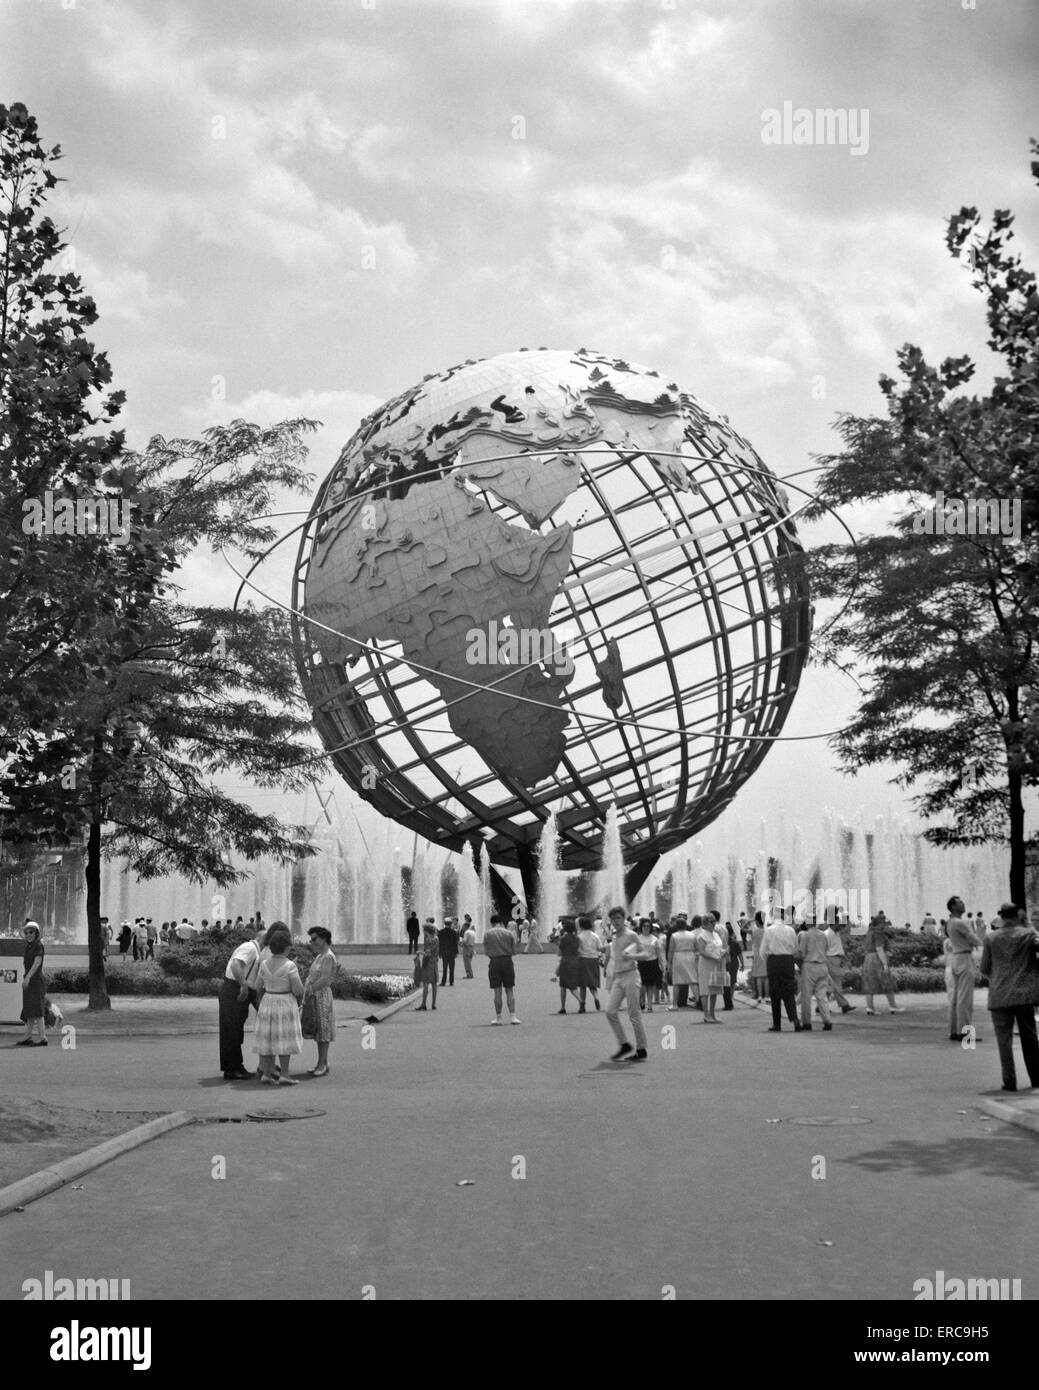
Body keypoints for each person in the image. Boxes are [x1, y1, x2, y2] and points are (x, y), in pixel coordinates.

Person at [980, 904, 1039, 1092]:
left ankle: (1009, 1081)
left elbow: (984, 968)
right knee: (1029, 1037)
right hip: (1024, 995)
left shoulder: (991, 938)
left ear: (1002, 917)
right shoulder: (1028, 934)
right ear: (1017, 915)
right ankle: (1036, 1078)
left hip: (999, 995)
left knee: (1004, 1041)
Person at [254, 923, 304, 1085]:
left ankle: (266, 1073)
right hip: (284, 1002)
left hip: (267, 1001)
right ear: (286, 947)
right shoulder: (290, 966)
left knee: (268, 1038)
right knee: (284, 1038)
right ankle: (284, 1074)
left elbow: (257, 985)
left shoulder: (264, 964)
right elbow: (298, 990)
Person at [218, 919, 266, 1080]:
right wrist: (243, 986)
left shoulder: (255, 951)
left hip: (240, 989)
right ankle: (232, 1069)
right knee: (231, 1032)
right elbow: (235, 965)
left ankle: (236, 1067)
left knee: (235, 1031)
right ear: (263, 940)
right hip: (234, 989)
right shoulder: (250, 948)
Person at [604, 907, 648, 1061]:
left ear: (624, 919)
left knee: (634, 1014)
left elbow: (644, 954)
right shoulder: (615, 937)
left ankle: (641, 1049)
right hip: (618, 977)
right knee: (610, 1012)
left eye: (618, 918)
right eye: (613, 919)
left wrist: (632, 956)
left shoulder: (632, 935)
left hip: (631, 975)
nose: (615, 921)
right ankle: (624, 1044)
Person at [303, 927, 337, 1077]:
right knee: (319, 1031)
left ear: (323, 939)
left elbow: (324, 979)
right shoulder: (320, 956)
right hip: (315, 996)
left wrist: (310, 989)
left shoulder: (328, 957)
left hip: (321, 996)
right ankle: (323, 1062)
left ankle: (322, 1064)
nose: (312, 942)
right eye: (311, 939)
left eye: (314, 939)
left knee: (323, 1031)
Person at [944, 895, 978, 1038]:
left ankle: (954, 1031)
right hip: (964, 958)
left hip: (955, 959)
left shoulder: (949, 923)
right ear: (953, 907)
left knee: (955, 998)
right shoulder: (960, 923)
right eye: (960, 903)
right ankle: (965, 1033)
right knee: (965, 998)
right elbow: (975, 940)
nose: (963, 904)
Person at [761, 912, 801, 1032]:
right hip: (788, 961)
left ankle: (777, 1024)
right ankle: (795, 1019)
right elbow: (795, 948)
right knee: (789, 991)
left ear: (774, 918)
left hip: (774, 960)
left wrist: (767, 960)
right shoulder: (791, 930)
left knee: (775, 992)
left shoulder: (769, 930)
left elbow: (763, 949)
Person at [862, 913, 906, 1017]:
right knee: (887, 981)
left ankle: (870, 1008)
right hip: (877, 958)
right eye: (883, 923)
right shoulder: (878, 933)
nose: (884, 925)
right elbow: (879, 948)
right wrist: (885, 964)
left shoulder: (869, 932)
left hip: (868, 958)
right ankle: (892, 1006)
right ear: (879, 923)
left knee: (869, 983)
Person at [484, 913, 520, 1024]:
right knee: (510, 990)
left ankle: (499, 1018)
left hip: (494, 962)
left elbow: (486, 952)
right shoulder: (508, 933)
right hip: (507, 961)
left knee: (497, 991)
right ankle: (513, 1017)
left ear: (492, 923)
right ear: (501, 922)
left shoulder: (487, 934)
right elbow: (514, 951)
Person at [797, 922, 833, 1031]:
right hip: (822, 965)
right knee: (821, 996)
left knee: (806, 996)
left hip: (809, 965)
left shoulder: (805, 935)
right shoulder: (823, 934)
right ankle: (827, 1021)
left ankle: (807, 1022)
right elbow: (827, 949)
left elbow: (802, 953)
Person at [17, 922, 47, 1047]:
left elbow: (37, 963)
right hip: (30, 981)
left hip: (35, 981)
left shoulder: (38, 946)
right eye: (26, 932)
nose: (28, 934)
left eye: (31, 932)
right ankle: (28, 1036)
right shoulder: (29, 946)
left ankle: (42, 1037)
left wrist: (28, 978)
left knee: (37, 1010)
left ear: (37, 933)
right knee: (30, 1009)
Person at [694, 913, 726, 1023]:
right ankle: (706, 1015)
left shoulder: (716, 934)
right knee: (705, 989)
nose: (714, 924)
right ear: (705, 923)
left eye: (714, 921)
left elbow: (719, 947)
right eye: (711, 922)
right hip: (706, 964)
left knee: (714, 989)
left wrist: (723, 953)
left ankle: (713, 1014)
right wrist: (714, 956)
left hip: (716, 963)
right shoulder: (702, 935)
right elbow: (702, 951)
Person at [823, 917, 856, 1014]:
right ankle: (844, 1005)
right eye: (838, 923)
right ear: (833, 924)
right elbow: (824, 949)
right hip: (830, 959)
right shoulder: (827, 934)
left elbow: (839, 948)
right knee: (836, 983)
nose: (840, 925)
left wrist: (845, 959)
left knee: (830, 985)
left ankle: (821, 1006)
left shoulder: (836, 933)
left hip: (836, 959)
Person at [667, 915, 699, 1009]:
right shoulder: (692, 935)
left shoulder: (674, 935)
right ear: (685, 925)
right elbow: (697, 948)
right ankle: (698, 1002)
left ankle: (674, 1004)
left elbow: (671, 950)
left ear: (677, 926)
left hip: (678, 956)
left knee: (676, 982)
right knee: (693, 980)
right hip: (690, 956)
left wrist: (669, 963)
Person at [635, 917, 664, 1013]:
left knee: (651, 986)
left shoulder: (655, 939)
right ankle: (642, 1000)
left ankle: (650, 1006)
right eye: (644, 926)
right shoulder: (637, 938)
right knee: (642, 986)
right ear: (641, 927)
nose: (646, 927)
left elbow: (659, 953)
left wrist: (662, 965)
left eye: (648, 926)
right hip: (641, 963)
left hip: (652, 962)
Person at [576, 916, 604, 1012]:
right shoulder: (595, 935)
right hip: (594, 960)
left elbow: (578, 950)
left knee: (582, 985)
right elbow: (600, 948)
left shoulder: (579, 936)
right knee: (592, 983)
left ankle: (582, 1004)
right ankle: (596, 997)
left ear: (581, 925)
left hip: (583, 960)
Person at [556, 919, 582, 1013]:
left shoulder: (563, 939)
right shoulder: (577, 939)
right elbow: (578, 951)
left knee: (563, 986)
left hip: (565, 962)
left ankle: (563, 1007)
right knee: (573, 985)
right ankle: (581, 1002)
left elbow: (559, 953)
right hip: (575, 962)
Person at [415, 922, 439, 1011]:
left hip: (428, 962)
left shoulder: (430, 940)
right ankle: (433, 1004)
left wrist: (419, 952)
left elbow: (428, 953)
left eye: (424, 930)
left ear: (427, 931)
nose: (423, 932)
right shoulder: (435, 938)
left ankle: (424, 1004)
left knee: (426, 983)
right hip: (434, 963)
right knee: (434, 983)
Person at [723, 918, 743, 1010]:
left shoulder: (723, 942)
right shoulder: (735, 942)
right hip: (734, 962)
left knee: (726, 982)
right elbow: (740, 954)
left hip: (726, 963)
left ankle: (727, 999)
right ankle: (731, 997)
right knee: (733, 981)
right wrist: (742, 964)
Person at [750, 911, 769, 1005]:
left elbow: (740, 927)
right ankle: (766, 996)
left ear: (756, 921)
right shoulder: (767, 931)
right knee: (766, 977)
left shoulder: (754, 931)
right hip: (765, 953)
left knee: (758, 977)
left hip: (757, 954)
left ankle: (760, 996)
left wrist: (751, 920)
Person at [438, 917, 459, 986]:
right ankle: (451, 982)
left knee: (444, 968)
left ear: (444, 924)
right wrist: (456, 952)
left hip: (444, 952)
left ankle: (443, 982)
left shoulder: (441, 932)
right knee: (451, 968)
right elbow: (455, 943)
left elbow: (440, 943)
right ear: (450, 924)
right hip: (452, 952)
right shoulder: (453, 932)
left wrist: (440, 953)